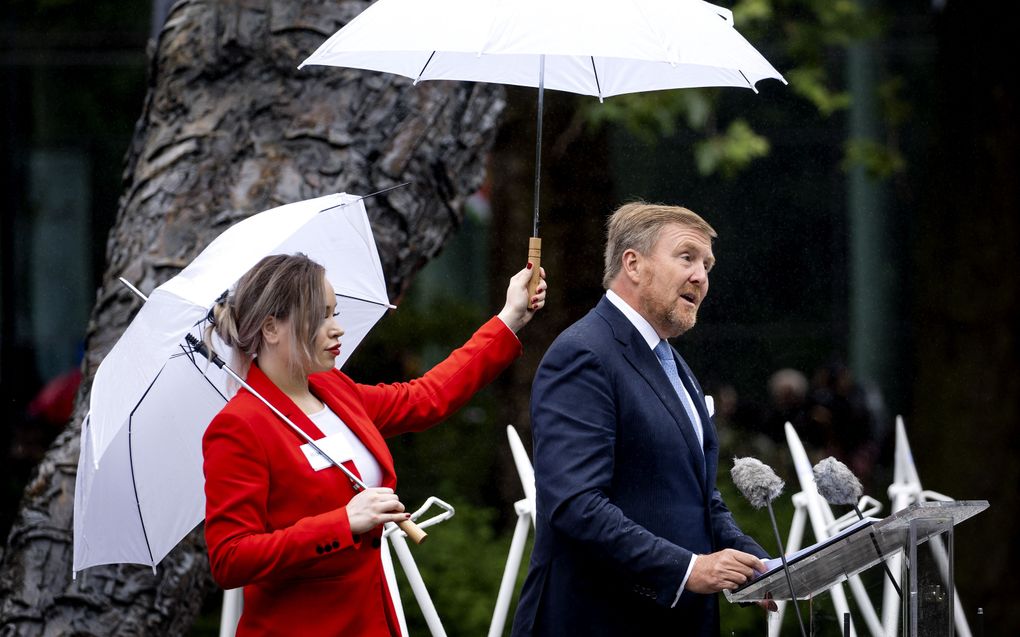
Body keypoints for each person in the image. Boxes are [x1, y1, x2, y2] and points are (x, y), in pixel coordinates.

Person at [202, 253, 546, 636]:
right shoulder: (238, 426)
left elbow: (424, 398)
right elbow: (230, 558)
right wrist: (343, 522)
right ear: (271, 329)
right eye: (321, 317)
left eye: (335, 313)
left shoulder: (335, 388)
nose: (337, 330)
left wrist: (508, 318)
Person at [511, 203, 770, 637]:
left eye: (707, 265)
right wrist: (688, 569)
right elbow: (575, 505)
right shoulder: (583, 354)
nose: (701, 276)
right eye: (686, 257)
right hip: (600, 620)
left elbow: (697, 495)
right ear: (633, 263)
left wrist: (754, 561)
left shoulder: (673, 363)